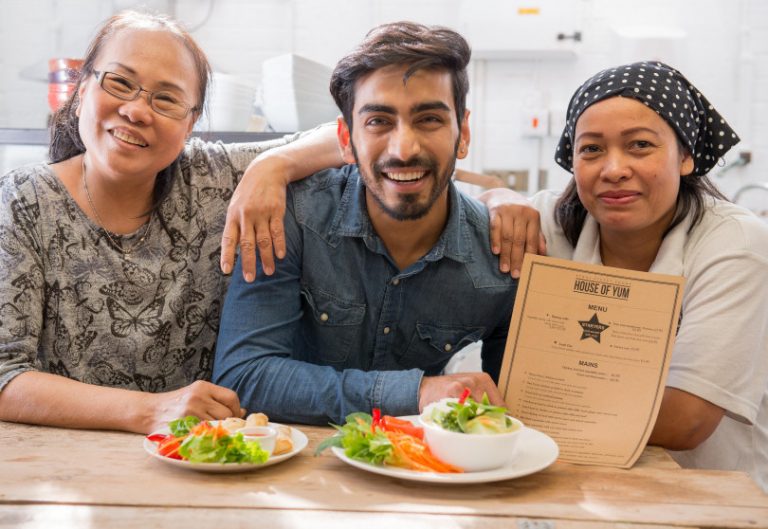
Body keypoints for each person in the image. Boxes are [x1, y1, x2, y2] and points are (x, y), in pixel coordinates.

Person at [0, 11, 345, 434]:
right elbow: (5, 375)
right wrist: (148, 411)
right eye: (120, 83)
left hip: (203, 458)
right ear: (82, 88)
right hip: (65, 465)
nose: (136, 110)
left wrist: (272, 166)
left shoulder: (209, 177)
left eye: (166, 99)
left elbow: (347, 135)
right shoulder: (22, 202)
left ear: (191, 123)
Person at [213, 21, 520, 425]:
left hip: (428, 475)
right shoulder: (292, 219)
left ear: (463, 134)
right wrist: (417, 392)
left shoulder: (505, 255)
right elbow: (244, 378)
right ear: (346, 138)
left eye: (429, 119)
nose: (404, 149)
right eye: (378, 121)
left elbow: (518, 415)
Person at [512, 60, 767, 490]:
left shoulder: (736, 245)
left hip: (706, 495)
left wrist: (513, 405)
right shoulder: (553, 224)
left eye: (640, 145)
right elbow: (487, 207)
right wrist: (502, 201)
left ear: (685, 155)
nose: (613, 169)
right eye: (591, 149)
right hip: (576, 489)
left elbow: (685, 421)